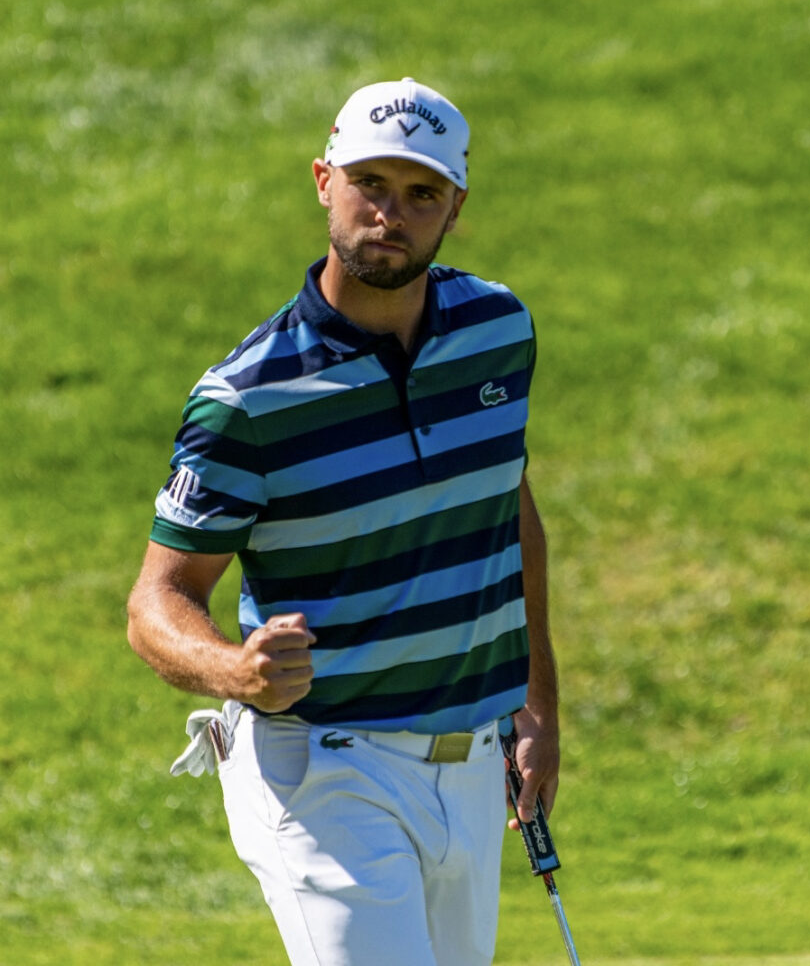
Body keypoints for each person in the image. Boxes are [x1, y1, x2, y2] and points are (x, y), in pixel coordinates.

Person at [126, 77, 561, 966]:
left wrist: (536, 703)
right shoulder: (248, 398)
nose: (390, 214)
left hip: (471, 766)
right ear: (325, 182)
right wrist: (238, 670)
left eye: (422, 193)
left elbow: (506, 509)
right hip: (322, 768)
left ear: (456, 209)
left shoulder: (498, 331)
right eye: (370, 184)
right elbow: (156, 601)